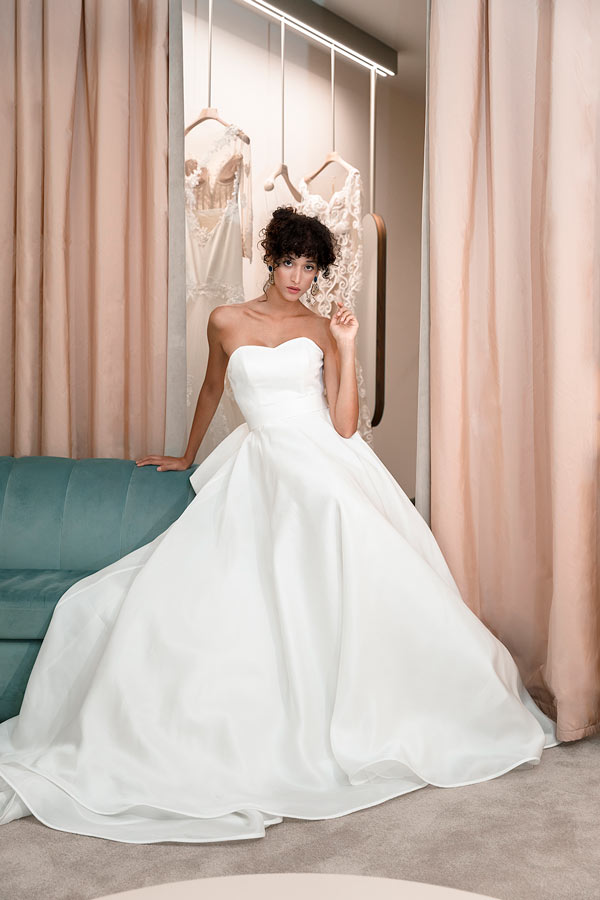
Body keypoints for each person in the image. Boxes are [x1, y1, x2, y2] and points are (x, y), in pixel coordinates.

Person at [0, 207, 558, 845]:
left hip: (321, 458)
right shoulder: (225, 320)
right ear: (270, 258)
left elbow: (343, 424)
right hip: (258, 460)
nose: (298, 276)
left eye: (310, 266)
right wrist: (185, 455)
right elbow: (212, 389)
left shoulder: (320, 326)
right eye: (290, 262)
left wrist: (347, 345)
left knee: (334, 524)